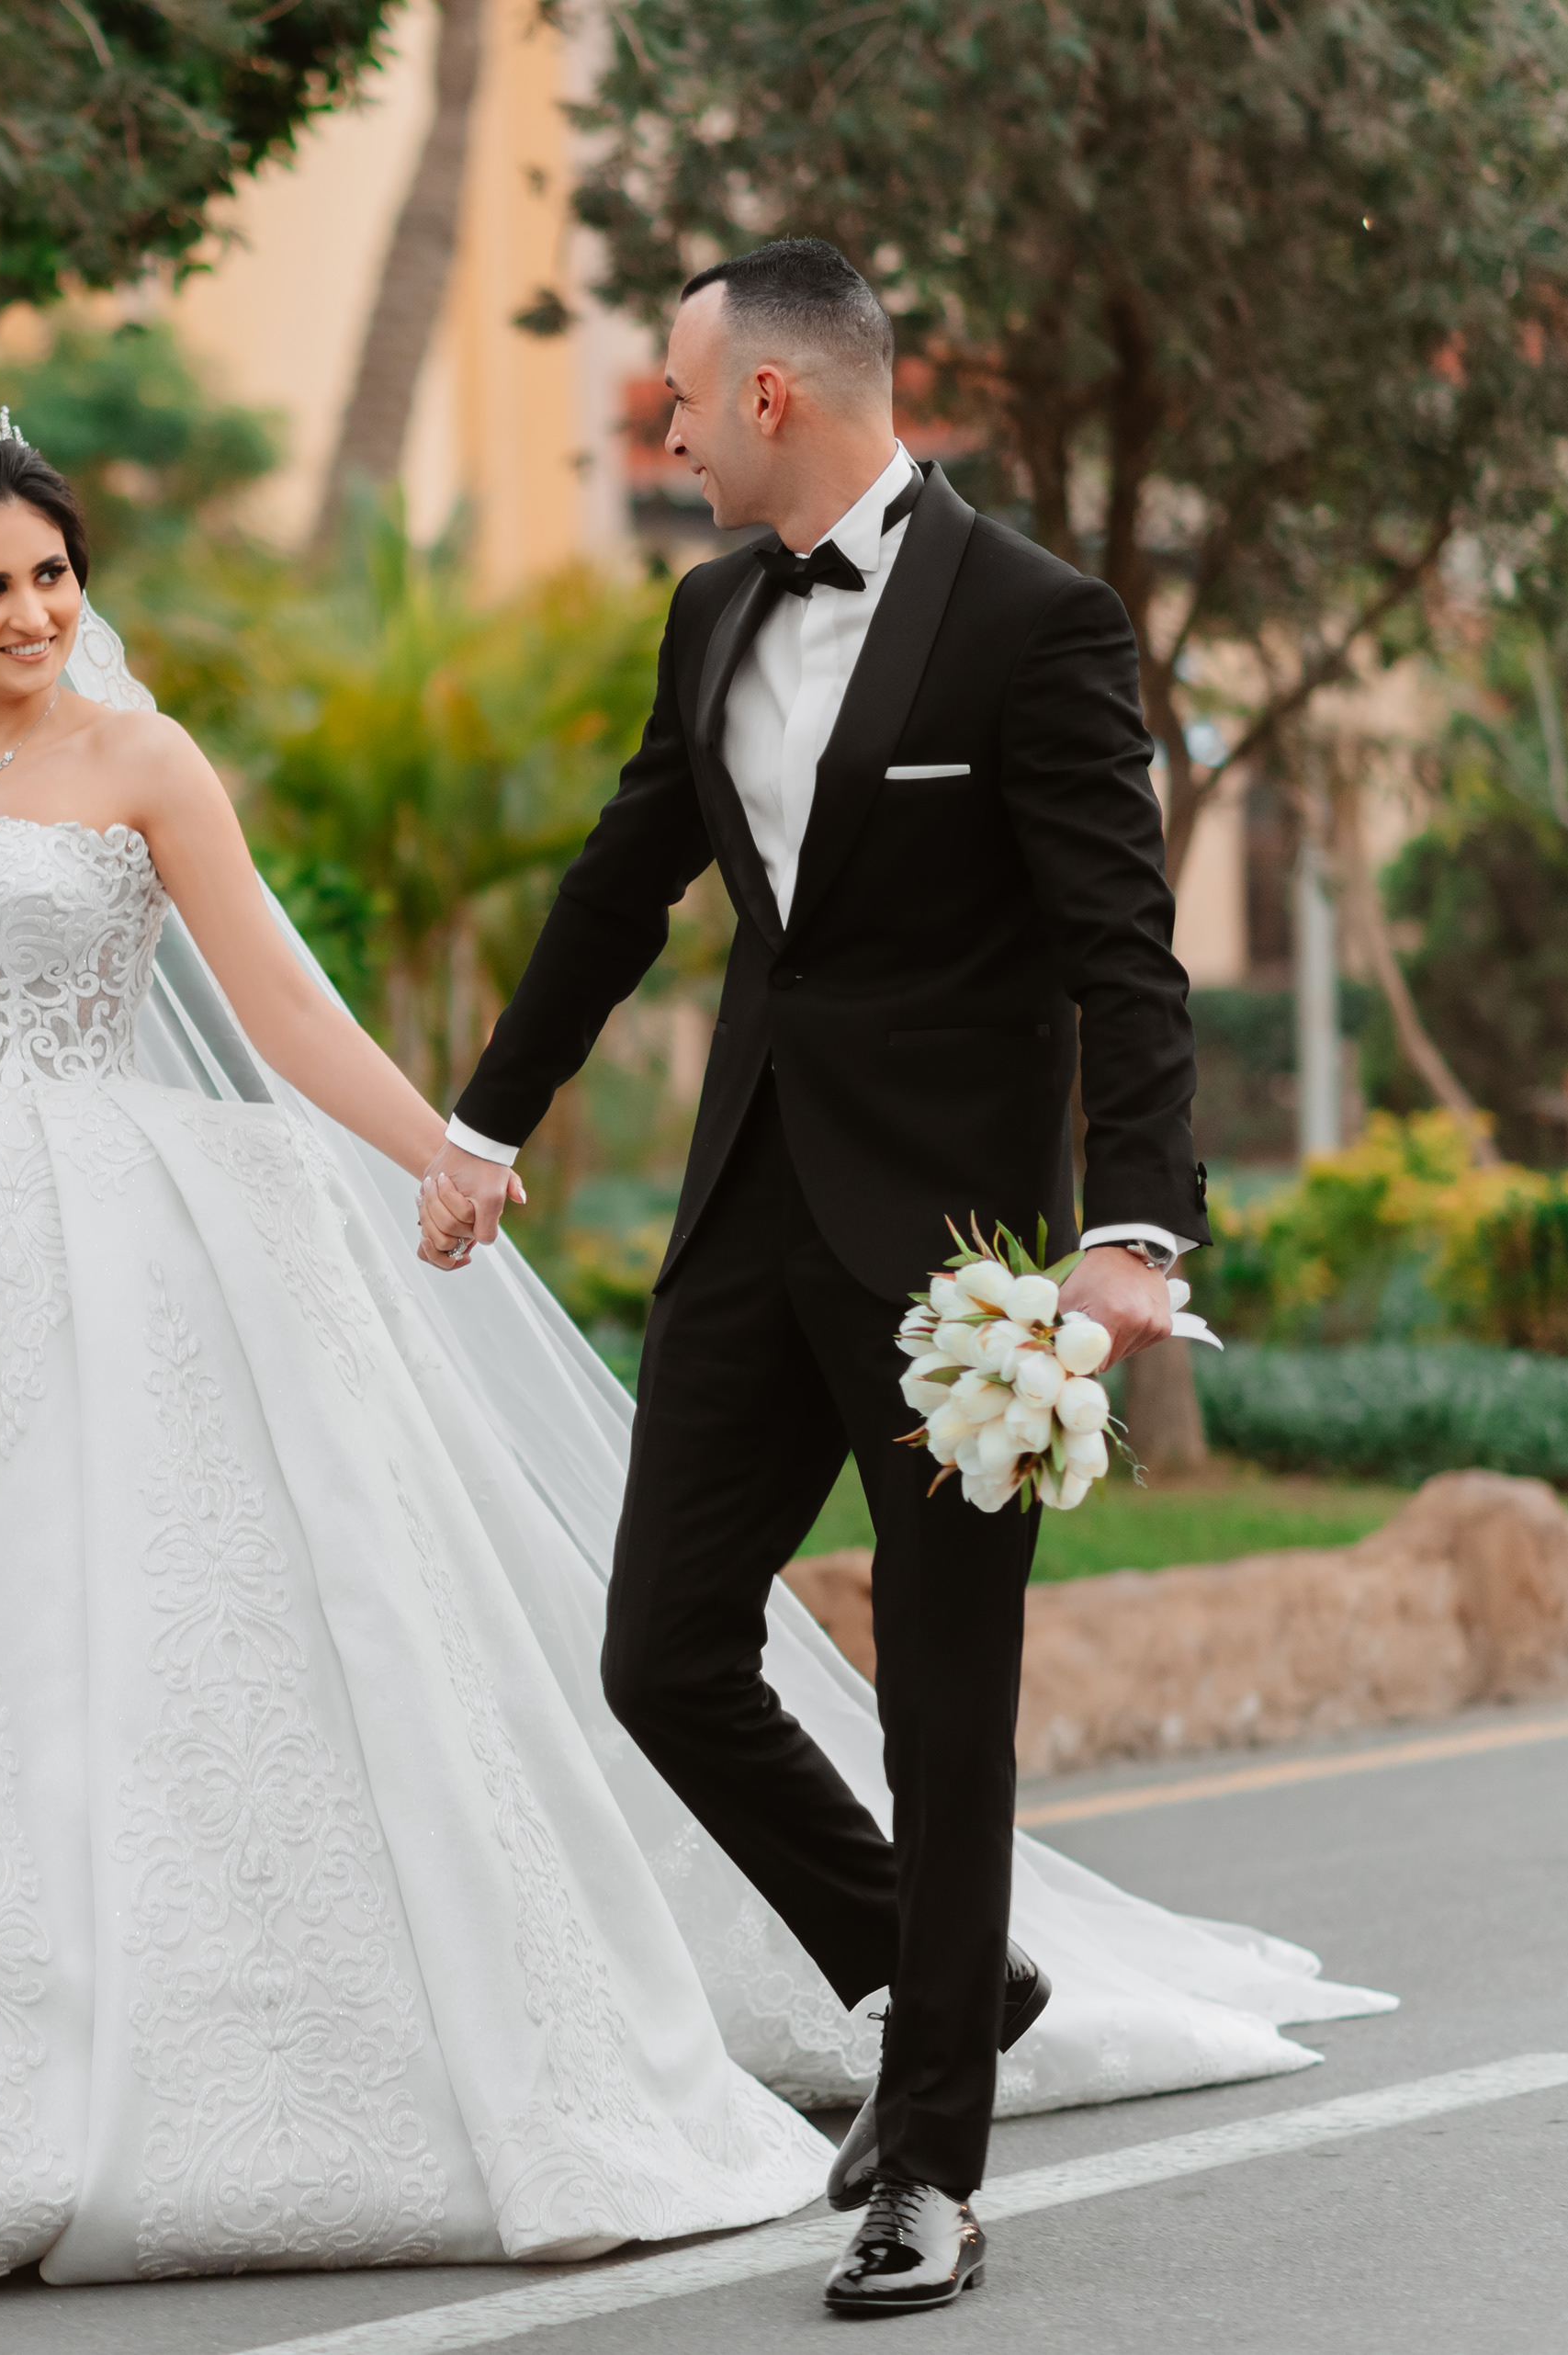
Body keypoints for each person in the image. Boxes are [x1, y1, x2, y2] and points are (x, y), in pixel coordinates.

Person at [0, 404, 1386, 2312]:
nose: (31, 613)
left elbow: (279, 1005)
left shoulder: (144, 759)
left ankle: (220, 2051)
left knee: (151, 1653)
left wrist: (451, 1146)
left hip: (123, 1225)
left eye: (53, 575)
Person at [420, 238, 1225, 2315]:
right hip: (750, 1215)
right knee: (666, 1648)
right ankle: (936, 1959)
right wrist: (485, 1124)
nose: (664, 434)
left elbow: (1126, 952)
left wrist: (1130, 1234)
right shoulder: (709, 614)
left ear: (770, 400)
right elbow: (626, 882)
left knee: (948, 1711)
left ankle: (931, 2167)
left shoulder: (1038, 623)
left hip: (965, 1267)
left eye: (679, 401)